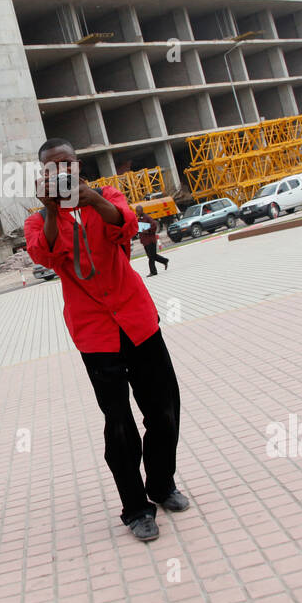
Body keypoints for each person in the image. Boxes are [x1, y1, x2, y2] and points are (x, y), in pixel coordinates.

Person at [25, 138, 188, 543]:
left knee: (164, 411)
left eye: (67, 164)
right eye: (52, 168)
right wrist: (50, 208)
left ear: (79, 166)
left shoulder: (107, 195)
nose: (61, 173)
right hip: (95, 334)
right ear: (43, 174)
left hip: (137, 320)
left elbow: (127, 224)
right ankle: (136, 509)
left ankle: (162, 485)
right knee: (119, 426)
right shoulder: (37, 220)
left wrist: (90, 198)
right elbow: (44, 254)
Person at [135, 206, 170, 277]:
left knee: (151, 257)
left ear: (141, 210)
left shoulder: (147, 217)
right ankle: (165, 260)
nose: (137, 213)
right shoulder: (139, 219)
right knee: (152, 256)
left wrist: (148, 231)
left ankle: (153, 272)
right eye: (136, 211)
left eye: (138, 211)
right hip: (145, 241)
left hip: (150, 240)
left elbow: (154, 225)